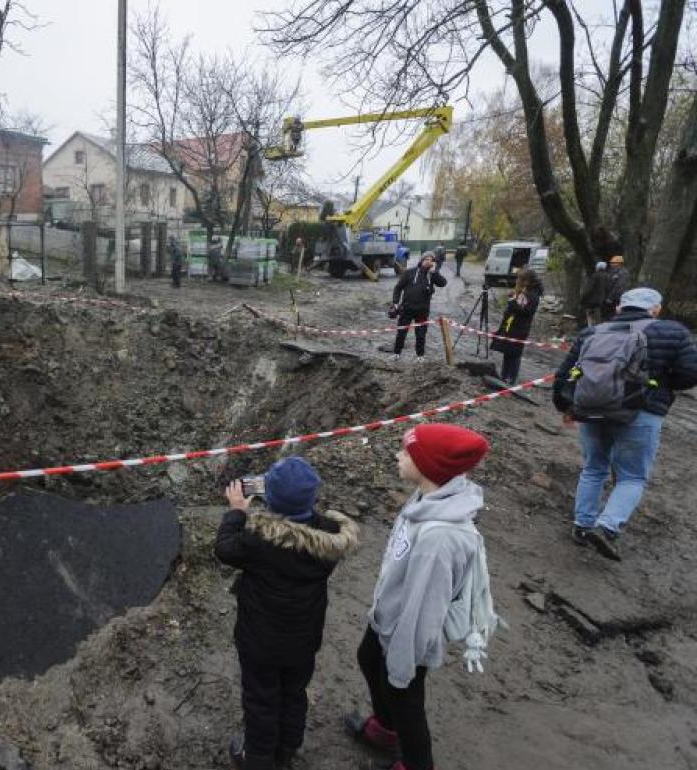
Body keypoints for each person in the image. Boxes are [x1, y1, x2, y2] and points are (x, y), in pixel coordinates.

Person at [345, 424, 491, 770]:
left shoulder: (439, 540)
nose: (398, 455)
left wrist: (403, 660)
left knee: (403, 695)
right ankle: (386, 729)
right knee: (368, 658)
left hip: (407, 634)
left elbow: (425, 608)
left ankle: (416, 763)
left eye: (407, 452)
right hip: (389, 616)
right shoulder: (426, 496)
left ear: (428, 467)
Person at [216, 458, 360, 770]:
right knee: (294, 693)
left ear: (269, 500)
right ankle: (286, 750)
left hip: (260, 642)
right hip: (304, 639)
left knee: (261, 697)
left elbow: (225, 548)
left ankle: (258, 757)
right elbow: (308, 521)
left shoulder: (258, 539)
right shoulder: (329, 539)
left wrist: (237, 512)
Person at [552, 287, 697, 561]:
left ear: (620, 307)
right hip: (641, 412)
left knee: (593, 468)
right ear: (656, 309)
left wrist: (565, 407)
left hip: (592, 409)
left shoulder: (593, 332)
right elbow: (690, 374)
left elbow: (565, 374)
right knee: (632, 476)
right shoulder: (673, 332)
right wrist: (661, 388)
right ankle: (607, 526)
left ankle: (582, 526)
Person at [489, 268, 543, 384]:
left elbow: (527, 311)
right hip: (511, 326)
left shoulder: (533, 295)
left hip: (520, 329)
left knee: (514, 354)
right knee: (507, 352)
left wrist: (513, 302)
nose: (517, 281)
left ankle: (510, 378)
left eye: (520, 279)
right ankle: (504, 376)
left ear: (527, 281)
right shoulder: (523, 291)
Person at [390, 252, 447, 359]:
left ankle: (420, 356)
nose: (428, 261)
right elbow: (398, 288)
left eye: (431, 260)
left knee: (421, 335)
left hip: (422, 311)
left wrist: (435, 272)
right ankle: (396, 353)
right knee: (401, 332)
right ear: (421, 260)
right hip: (406, 308)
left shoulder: (432, 275)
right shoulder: (409, 272)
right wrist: (395, 302)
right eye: (426, 259)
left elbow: (443, 283)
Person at [579, 261, 609, 328]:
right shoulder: (608, 276)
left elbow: (589, 289)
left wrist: (582, 299)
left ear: (597, 268)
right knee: (600, 319)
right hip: (603, 301)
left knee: (590, 318)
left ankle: (591, 329)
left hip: (592, 302)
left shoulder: (595, 276)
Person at [601, 255, 631, 321]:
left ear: (619, 263)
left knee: (614, 315)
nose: (611, 264)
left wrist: (610, 297)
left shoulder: (623, 273)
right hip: (611, 298)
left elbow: (619, 286)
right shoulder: (612, 272)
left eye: (613, 263)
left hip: (617, 298)